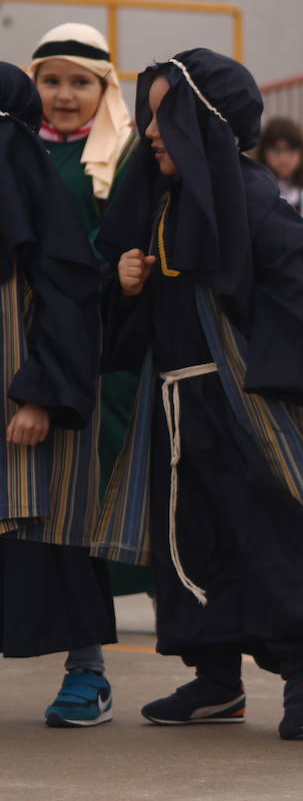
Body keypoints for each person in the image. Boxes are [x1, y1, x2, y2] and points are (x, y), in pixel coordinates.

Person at [95, 48, 303, 740]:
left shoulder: (254, 204)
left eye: (167, 115)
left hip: (243, 405)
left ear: (206, 121)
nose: (152, 130)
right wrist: (127, 282)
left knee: (272, 537)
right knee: (189, 541)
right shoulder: (165, 201)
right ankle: (216, 678)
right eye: (149, 115)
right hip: (176, 406)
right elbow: (136, 308)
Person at [29, 24, 155, 599]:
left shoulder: (127, 153)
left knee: (112, 454)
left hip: (107, 330)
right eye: (51, 80)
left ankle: (127, 575)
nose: (63, 94)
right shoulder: (22, 147)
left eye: (80, 82)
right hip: (36, 326)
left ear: (104, 88)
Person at [0, 63, 108, 727]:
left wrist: (40, 396)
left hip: (34, 408)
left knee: (57, 532)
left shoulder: (38, 199)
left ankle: (87, 671)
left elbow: (69, 304)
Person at [256, 116, 303, 237]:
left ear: (301, 154)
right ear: (263, 152)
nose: (284, 158)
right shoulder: (258, 189)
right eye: (277, 150)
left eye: (291, 151)